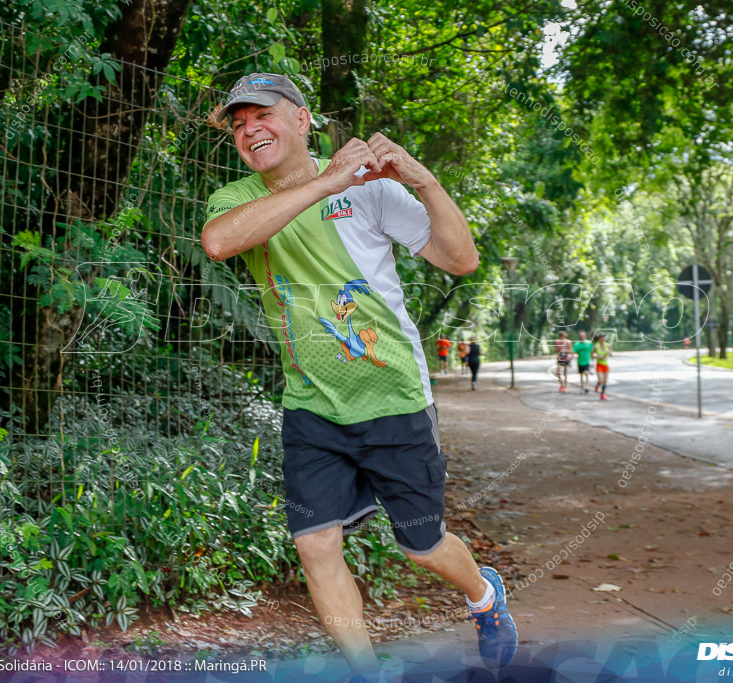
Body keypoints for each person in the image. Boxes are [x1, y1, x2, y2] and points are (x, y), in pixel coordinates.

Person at [200, 73, 517, 674]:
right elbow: (219, 243)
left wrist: (421, 179)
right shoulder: (237, 199)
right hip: (312, 403)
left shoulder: (370, 190)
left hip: (393, 396)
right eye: (239, 125)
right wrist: (327, 182)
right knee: (315, 545)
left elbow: (461, 260)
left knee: (422, 546)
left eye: (262, 115)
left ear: (302, 119)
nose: (249, 131)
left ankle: (483, 595)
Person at [593, 331, 611, 400]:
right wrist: (598, 356)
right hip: (599, 365)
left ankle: (602, 394)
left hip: (605, 365)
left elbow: (611, 354)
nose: (602, 338)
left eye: (603, 337)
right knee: (601, 380)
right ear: (599, 338)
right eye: (601, 337)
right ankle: (597, 385)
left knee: (605, 381)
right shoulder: (596, 346)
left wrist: (610, 353)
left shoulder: (608, 345)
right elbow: (592, 355)